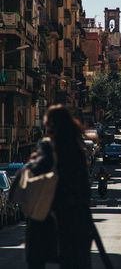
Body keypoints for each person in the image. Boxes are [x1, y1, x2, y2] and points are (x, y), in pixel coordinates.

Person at [25, 104, 92, 269]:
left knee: (37, 259)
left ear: (50, 125)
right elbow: (84, 188)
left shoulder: (47, 147)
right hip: (75, 220)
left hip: (47, 217)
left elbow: (34, 174)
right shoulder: (77, 149)